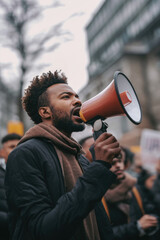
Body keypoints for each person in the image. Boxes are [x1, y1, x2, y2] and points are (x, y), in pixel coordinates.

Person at [5, 70, 121, 240]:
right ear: (45, 112)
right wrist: (99, 168)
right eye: (66, 97)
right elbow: (42, 228)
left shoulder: (78, 156)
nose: (78, 101)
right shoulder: (24, 154)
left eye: (77, 96)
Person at [103, 148, 158, 240]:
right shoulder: (97, 196)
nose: (118, 166)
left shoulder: (135, 188)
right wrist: (137, 227)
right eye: (112, 163)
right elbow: (101, 234)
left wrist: (152, 219)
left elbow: (151, 209)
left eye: (120, 161)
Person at [0, 133, 22, 240]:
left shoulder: (31, 172)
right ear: (2, 152)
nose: (17, 150)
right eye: (12, 147)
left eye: (20, 146)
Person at [130, 169, 160, 239]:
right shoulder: (137, 192)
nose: (155, 183)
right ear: (144, 180)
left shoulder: (151, 192)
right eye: (152, 180)